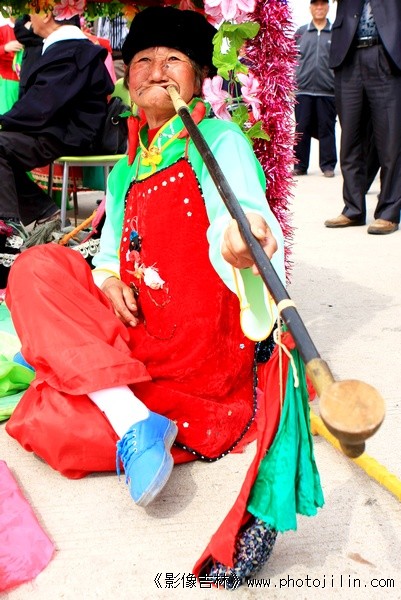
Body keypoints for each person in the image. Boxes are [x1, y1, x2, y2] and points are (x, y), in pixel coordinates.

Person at [5, 7, 285, 511]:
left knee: (46, 419)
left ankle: (102, 390)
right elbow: (110, 254)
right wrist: (109, 279)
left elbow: (239, 210)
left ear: (199, 78)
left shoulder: (219, 140)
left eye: (173, 60)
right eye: (143, 61)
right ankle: (134, 420)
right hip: (137, 337)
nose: (157, 72)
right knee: (35, 267)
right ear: (128, 81)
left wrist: (240, 237)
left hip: (194, 354)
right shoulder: (126, 169)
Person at [0, 2, 114, 253]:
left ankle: (7, 230)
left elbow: (42, 105)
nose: (28, 18)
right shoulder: (67, 47)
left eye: (32, 11)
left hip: (68, 134)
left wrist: (3, 121)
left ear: (46, 13)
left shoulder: (71, 49)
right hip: (58, 129)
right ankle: (43, 212)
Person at [324, 0, 401, 234]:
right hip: (348, 55)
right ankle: (353, 209)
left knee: (390, 142)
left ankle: (388, 212)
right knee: (350, 139)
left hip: (386, 54)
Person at [293, 0, 337, 178]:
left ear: (328, 7)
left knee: (327, 128)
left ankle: (328, 165)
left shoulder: (335, 33)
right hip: (302, 90)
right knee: (301, 128)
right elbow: (291, 60)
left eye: (322, 4)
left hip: (328, 91)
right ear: (310, 8)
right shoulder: (301, 32)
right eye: (315, 4)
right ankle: (299, 165)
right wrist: (292, 83)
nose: (319, 7)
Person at [13, 14, 44, 99]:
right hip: (28, 72)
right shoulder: (26, 13)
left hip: (49, 71)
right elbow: (20, 32)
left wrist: (30, 28)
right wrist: (45, 37)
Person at [0, 16, 23, 113]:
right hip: (6, 79)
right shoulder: (3, 29)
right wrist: (5, 48)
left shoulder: (32, 30)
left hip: (25, 80)